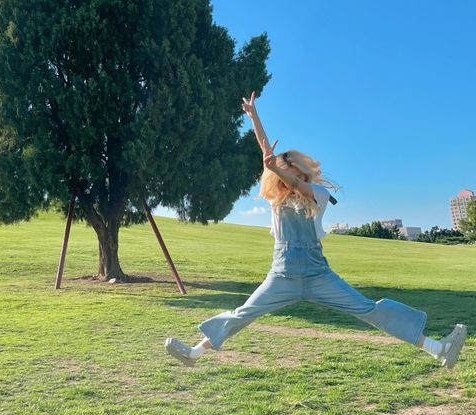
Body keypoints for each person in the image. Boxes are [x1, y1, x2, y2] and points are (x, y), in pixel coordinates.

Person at [165, 91, 467, 371]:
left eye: (294, 172)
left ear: (302, 172)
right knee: (243, 313)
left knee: (367, 309)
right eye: (285, 173)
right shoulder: (275, 201)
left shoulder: (318, 193)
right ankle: (193, 354)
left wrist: (276, 168)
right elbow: (265, 152)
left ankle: (438, 348)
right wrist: (254, 116)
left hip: (318, 275)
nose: (289, 177)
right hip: (281, 276)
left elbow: (295, 183)